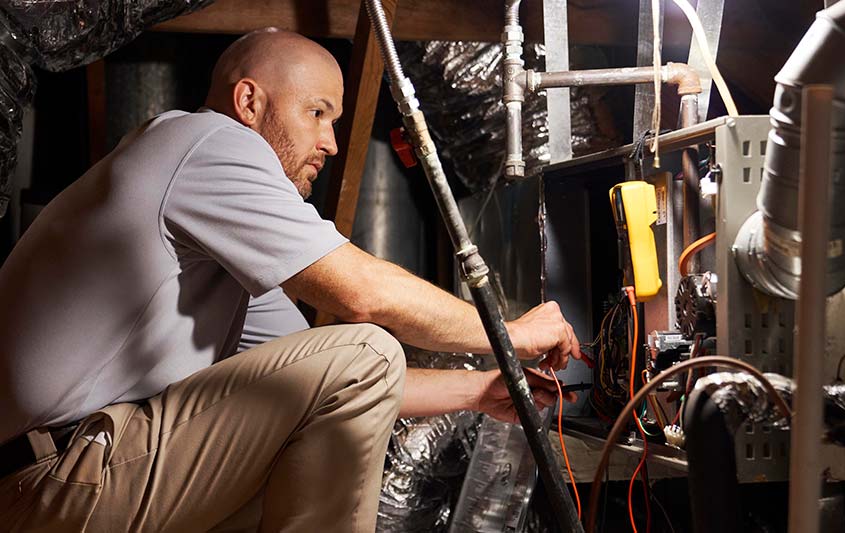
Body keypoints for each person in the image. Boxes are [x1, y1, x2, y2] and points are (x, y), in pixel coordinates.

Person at [0, 28, 582, 532]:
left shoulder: (216, 248)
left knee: (344, 378)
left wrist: (481, 392)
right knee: (367, 348)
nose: (330, 142)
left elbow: (331, 386)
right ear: (248, 101)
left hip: (73, 472)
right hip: (50, 478)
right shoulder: (203, 143)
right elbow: (363, 297)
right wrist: (511, 333)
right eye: (317, 113)